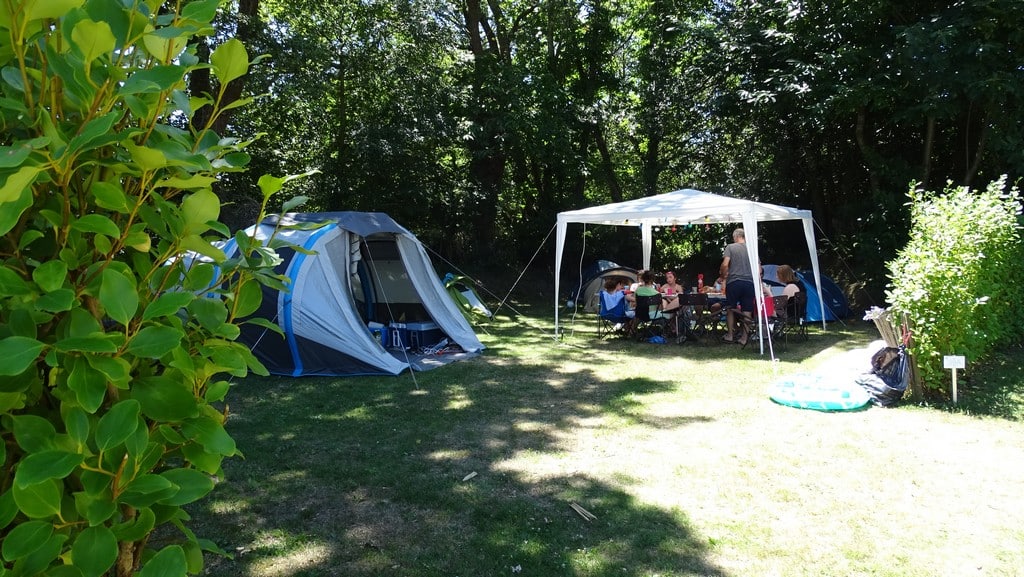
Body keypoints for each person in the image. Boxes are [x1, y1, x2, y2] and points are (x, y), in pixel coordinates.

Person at [720, 228, 756, 345]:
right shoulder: (752, 249)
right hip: (749, 283)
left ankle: (730, 335)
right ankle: (744, 338)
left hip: (734, 282)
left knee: (730, 308)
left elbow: (725, 264)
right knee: (747, 310)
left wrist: (723, 274)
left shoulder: (730, 247)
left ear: (736, 236)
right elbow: (759, 269)